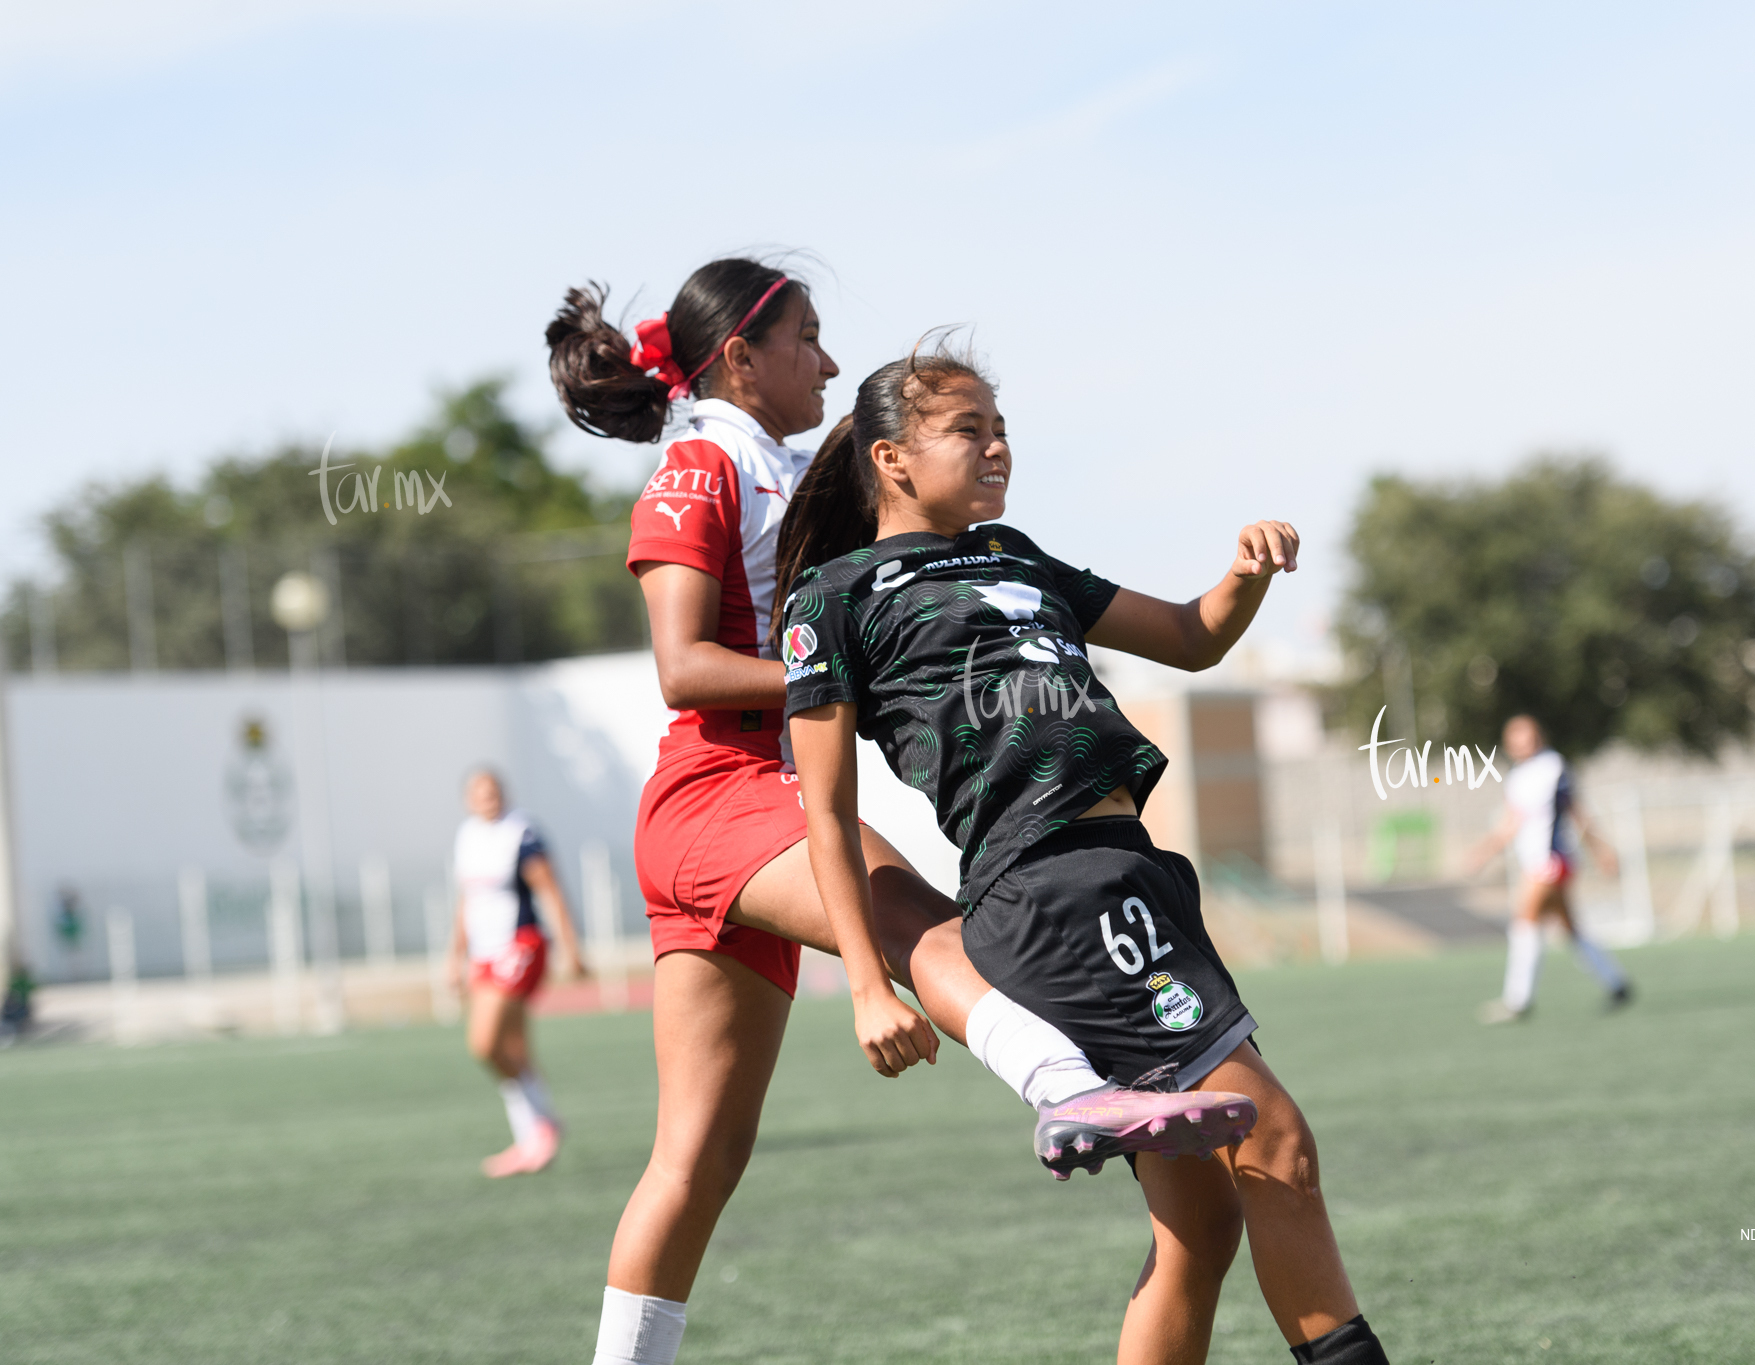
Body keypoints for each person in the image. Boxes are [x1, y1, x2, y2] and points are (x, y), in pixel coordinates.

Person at [544, 261, 1252, 1365]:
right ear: (739, 355)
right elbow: (683, 668)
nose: (826, 360)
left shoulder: (777, 463)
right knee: (919, 925)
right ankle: (1066, 1090)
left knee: (696, 1161)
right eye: (807, 339)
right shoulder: (698, 463)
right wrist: (865, 671)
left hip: (725, 819)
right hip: (718, 794)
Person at [778, 343, 1391, 1365]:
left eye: (1000, 425)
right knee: (1275, 1146)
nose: (996, 446)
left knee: (1200, 1226)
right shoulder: (836, 600)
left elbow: (1192, 640)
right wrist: (864, 989)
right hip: (1055, 891)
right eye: (967, 428)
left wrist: (1240, 577)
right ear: (889, 458)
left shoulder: (1016, 554)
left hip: (1130, 871)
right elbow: (825, 812)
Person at [446, 768, 589, 1176]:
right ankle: (534, 1134)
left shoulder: (521, 833)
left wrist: (571, 948)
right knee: (513, 1048)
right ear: (467, 799)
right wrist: (453, 957)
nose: (488, 798)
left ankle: (541, 1125)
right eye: (479, 792)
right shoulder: (468, 837)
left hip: (520, 945)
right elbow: (466, 902)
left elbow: (550, 889)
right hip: (484, 951)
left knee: (485, 1044)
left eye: (494, 791)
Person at [1463, 715, 1633, 1022]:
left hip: (1552, 861)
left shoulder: (1553, 767)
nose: (1521, 743)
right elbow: (1510, 823)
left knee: (1523, 921)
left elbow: (1578, 812)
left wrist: (1601, 851)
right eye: (1515, 737)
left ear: (1538, 737)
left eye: (1527, 736)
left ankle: (1518, 1000)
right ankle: (1616, 983)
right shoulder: (1517, 777)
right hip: (1536, 863)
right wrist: (1484, 852)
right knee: (1571, 929)